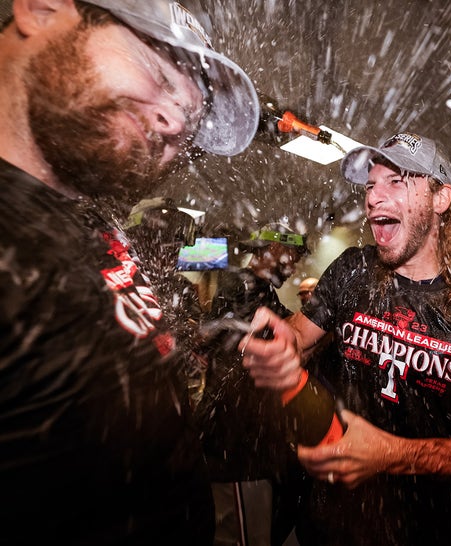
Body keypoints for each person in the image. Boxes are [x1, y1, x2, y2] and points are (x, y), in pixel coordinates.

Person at [0, 0, 259, 544]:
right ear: (41, 9)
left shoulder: (88, 217)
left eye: (189, 118)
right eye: (160, 72)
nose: (173, 123)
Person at [242, 132, 451, 545]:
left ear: (440, 198)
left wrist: (393, 455)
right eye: (370, 185)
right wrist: (276, 343)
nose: (374, 198)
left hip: (436, 528)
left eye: (396, 181)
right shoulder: (352, 269)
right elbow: (299, 339)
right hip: (335, 522)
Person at [195, 223, 309, 546]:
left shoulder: (260, 290)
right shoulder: (241, 285)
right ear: (273, 249)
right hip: (234, 445)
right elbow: (275, 333)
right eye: (293, 255)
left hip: (249, 442)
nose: (294, 266)